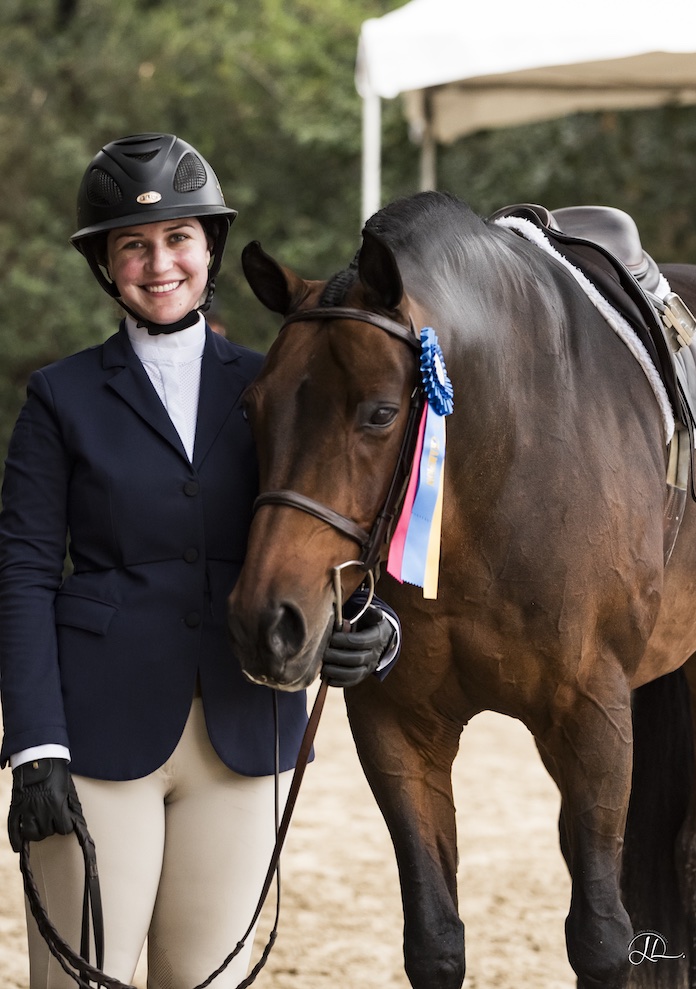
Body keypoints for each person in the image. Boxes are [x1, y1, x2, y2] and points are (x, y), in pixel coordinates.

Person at [0, 133, 399, 989]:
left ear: (209, 247)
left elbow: (350, 515)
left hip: (242, 731)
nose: (159, 262)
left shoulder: (280, 383)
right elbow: (25, 573)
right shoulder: (59, 397)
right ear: (107, 265)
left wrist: (372, 623)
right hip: (95, 736)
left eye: (178, 238)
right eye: (134, 244)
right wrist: (33, 744)